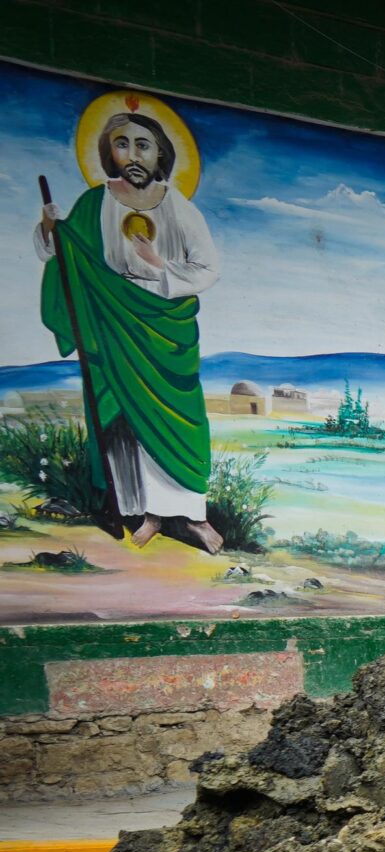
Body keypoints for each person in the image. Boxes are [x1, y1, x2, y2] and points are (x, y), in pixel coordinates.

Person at [34, 103, 225, 552]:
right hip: (111, 322)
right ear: (108, 152)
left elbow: (208, 269)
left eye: (144, 145)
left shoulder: (180, 208)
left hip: (164, 325)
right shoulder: (93, 202)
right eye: (122, 144)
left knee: (181, 420)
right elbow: (66, 255)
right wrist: (51, 231)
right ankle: (146, 513)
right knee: (124, 419)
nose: (133, 155)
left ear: (161, 154)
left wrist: (162, 269)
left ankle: (193, 516)